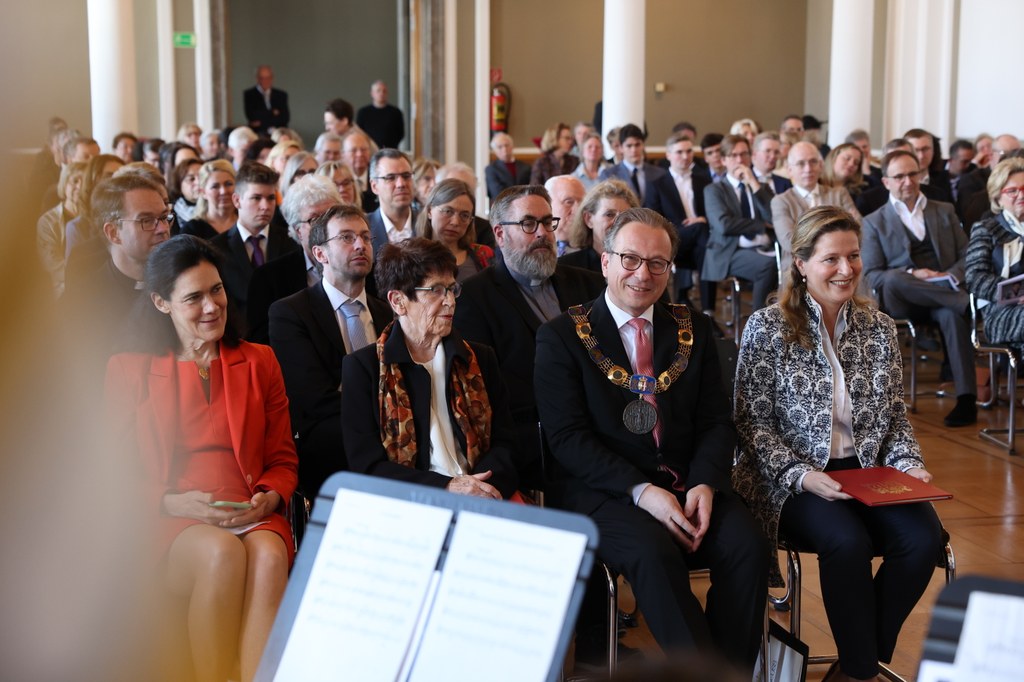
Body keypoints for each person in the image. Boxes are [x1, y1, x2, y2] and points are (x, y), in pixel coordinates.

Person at [535, 207, 768, 670]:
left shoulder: (693, 328)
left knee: (748, 545)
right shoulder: (561, 336)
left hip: (688, 482)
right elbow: (567, 439)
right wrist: (642, 493)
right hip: (605, 490)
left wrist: (704, 482)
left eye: (657, 263)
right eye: (630, 259)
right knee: (653, 552)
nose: (643, 274)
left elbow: (716, 421)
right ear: (605, 261)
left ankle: (731, 671)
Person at [733, 206, 942, 682]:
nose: (846, 269)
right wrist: (802, 475)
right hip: (792, 477)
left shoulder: (880, 329)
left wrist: (910, 465)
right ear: (801, 264)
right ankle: (864, 671)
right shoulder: (768, 327)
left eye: (853, 256)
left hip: (867, 471)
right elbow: (750, 423)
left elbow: (894, 418)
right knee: (847, 540)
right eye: (831, 259)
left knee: (923, 539)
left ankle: (855, 665)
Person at [106, 235, 297, 682]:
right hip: (170, 514)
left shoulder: (260, 360)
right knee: (220, 554)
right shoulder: (127, 368)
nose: (212, 306)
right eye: (193, 297)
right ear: (161, 302)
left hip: (250, 507)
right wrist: (172, 502)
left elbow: (283, 458)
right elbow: (111, 478)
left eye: (217, 290)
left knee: (270, 556)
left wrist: (271, 496)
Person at [341, 237, 521, 499]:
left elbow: (506, 444)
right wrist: (446, 488)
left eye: (451, 289)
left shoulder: (479, 358)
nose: (450, 301)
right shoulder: (363, 368)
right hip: (410, 505)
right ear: (398, 301)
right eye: (436, 290)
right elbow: (367, 467)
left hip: (485, 495)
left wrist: (479, 490)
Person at [455, 185, 604, 483]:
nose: (542, 233)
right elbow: (487, 389)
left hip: (602, 423)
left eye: (548, 223)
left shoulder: (590, 285)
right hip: (534, 439)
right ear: (499, 234)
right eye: (528, 224)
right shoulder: (474, 298)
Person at [269, 203, 392, 499]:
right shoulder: (290, 313)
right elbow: (313, 399)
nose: (361, 245)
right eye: (347, 238)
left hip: (392, 442)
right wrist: (386, 412)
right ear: (320, 253)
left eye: (365, 236)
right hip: (330, 447)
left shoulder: (387, 313)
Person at [862, 150, 976, 427]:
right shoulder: (873, 221)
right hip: (900, 299)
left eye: (912, 174)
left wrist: (948, 274)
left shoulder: (944, 210)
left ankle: (966, 399)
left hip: (941, 294)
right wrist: (913, 273)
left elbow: (967, 255)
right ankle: (966, 302)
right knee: (892, 278)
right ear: (886, 181)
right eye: (899, 176)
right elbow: (873, 274)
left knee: (950, 315)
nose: (908, 181)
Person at [246, 175, 343, 344]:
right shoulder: (268, 279)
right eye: (315, 219)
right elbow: (264, 342)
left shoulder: (361, 268)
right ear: (298, 230)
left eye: (331, 215)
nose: (326, 226)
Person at [211, 162, 300, 325]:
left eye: (271, 198)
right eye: (256, 198)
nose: (265, 206)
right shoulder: (216, 249)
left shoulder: (292, 243)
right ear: (237, 200)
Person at [702, 134, 778, 314]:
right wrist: (761, 225)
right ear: (723, 160)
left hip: (765, 246)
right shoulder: (714, 190)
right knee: (768, 266)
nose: (739, 160)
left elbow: (775, 217)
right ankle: (760, 322)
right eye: (734, 155)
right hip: (730, 250)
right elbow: (724, 225)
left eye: (744, 154)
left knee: (793, 264)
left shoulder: (761, 188)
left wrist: (753, 182)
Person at [965, 157, 1024, 355]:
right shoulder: (986, 229)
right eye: (1012, 190)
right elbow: (975, 279)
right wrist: (1018, 293)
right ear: (998, 197)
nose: (1020, 195)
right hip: (1000, 312)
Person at [772, 141, 861, 273]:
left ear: (821, 165)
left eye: (813, 162)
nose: (808, 169)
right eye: (801, 163)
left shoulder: (839, 194)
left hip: (842, 267)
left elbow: (859, 229)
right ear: (790, 170)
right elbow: (789, 242)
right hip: (798, 269)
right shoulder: (781, 201)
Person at [646, 132, 712, 306]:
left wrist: (702, 219)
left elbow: (713, 212)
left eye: (689, 151)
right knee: (707, 247)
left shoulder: (703, 181)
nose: (685, 156)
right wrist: (698, 224)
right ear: (668, 155)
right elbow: (654, 219)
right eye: (679, 152)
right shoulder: (657, 184)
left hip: (699, 240)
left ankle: (696, 305)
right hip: (672, 237)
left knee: (705, 249)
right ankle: (706, 308)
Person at [416, 178, 493, 280]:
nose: (455, 222)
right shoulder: (410, 257)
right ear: (430, 211)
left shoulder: (483, 255)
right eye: (448, 211)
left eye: (464, 215)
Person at [561, 179, 638, 274]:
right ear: (588, 219)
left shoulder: (640, 265)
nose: (619, 222)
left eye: (625, 216)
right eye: (609, 214)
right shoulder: (567, 268)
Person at [36, 161, 85, 298]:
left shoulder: (94, 217)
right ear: (64, 184)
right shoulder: (48, 222)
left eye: (84, 182)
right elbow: (52, 264)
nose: (80, 186)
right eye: (75, 181)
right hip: (64, 286)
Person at [599, 123, 666, 204]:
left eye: (637, 145)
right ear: (621, 148)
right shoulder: (609, 175)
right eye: (629, 146)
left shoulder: (659, 174)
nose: (634, 150)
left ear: (643, 145)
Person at [181, 160, 238, 240]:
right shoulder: (192, 230)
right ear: (203, 192)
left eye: (228, 184)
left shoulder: (246, 222)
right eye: (215, 186)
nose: (223, 191)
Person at [355, 80, 405, 149]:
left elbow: (400, 134)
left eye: (384, 91)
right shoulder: (363, 112)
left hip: (390, 150)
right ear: (372, 93)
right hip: (369, 151)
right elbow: (359, 133)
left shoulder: (396, 112)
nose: (381, 93)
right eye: (378, 91)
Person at [545, 175, 587, 256]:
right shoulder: (535, 244)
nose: (578, 210)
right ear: (547, 205)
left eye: (582, 203)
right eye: (569, 202)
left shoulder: (596, 248)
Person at [243, 64, 290, 133]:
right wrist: (273, 112)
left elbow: (285, 118)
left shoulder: (281, 95)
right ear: (257, 78)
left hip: (278, 132)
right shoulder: (249, 94)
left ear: (272, 78)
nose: (265, 81)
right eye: (262, 78)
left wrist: (261, 120)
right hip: (258, 133)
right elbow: (252, 116)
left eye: (268, 78)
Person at [485, 132, 531, 200]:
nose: (504, 149)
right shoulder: (491, 169)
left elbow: (530, 189)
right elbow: (497, 193)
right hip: (503, 206)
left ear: (512, 146)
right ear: (495, 150)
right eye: (500, 147)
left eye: (506, 145)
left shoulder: (526, 167)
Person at [169, 158, 202, 226]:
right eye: (191, 179)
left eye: (202, 177)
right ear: (179, 184)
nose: (198, 183)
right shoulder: (171, 216)